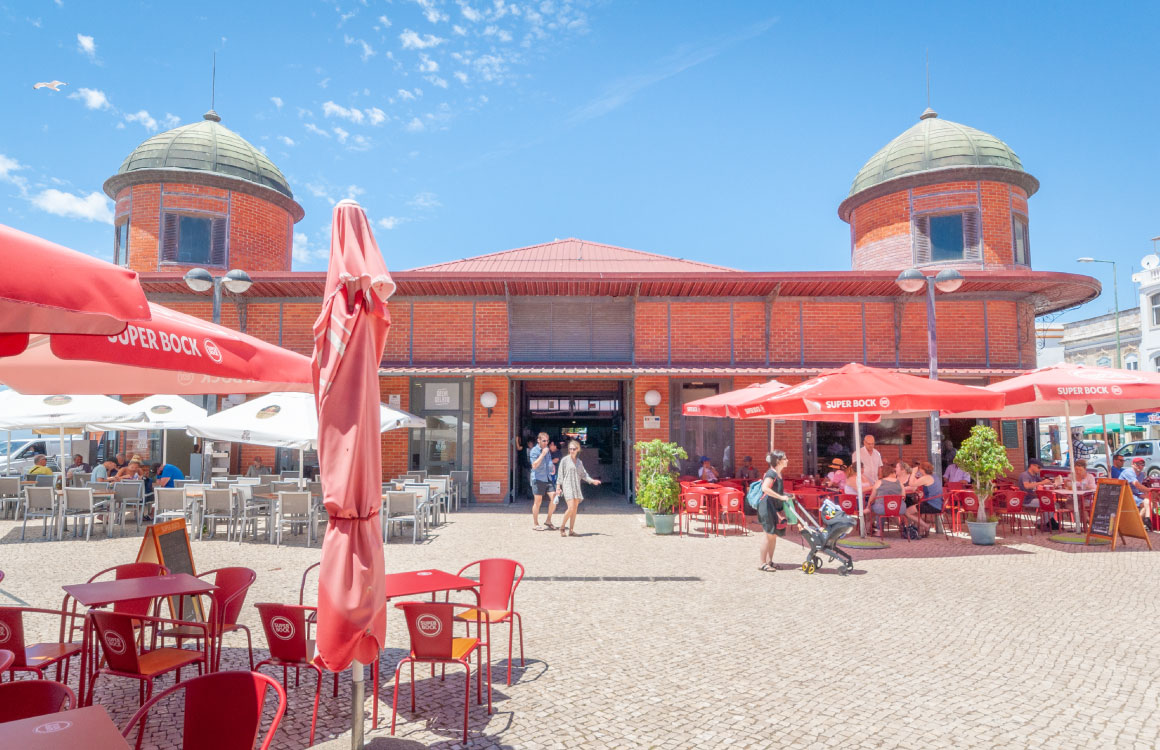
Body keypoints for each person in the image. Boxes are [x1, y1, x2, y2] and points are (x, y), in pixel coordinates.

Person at [757, 450, 794, 571]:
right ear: (778, 461)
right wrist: (781, 497)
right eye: (785, 458)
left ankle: (770, 561)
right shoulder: (771, 474)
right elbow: (765, 488)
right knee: (768, 534)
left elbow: (777, 490)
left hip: (773, 507)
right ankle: (762, 563)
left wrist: (787, 495)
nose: (787, 460)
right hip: (766, 506)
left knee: (773, 535)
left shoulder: (778, 474)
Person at [555, 439, 600, 537]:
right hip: (567, 485)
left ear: (578, 449)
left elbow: (584, 475)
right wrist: (558, 487)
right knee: (570, 507)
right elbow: (560, 475)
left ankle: (571, 530)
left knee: (575, 508)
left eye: (574, 449)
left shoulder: (579, 462)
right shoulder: (565, 460)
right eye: (570, 449)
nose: (572, 451)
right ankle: (562, 527)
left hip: (576, 485)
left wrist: (592, 481)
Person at [869, 461, 907, 537]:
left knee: (878, 509)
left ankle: (879, 531)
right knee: (887, 509)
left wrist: (868, 506)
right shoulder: (899, 482)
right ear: (891, 473)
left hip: (882, 509)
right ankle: (902, 528)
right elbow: (903, 496)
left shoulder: (879, 482)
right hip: (899, 509)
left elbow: (872, 497)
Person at [529, 432, 557, 531]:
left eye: (547, 441)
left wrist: (552, 467)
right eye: (544, 441)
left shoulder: (547, 450)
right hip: (538, 478)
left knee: (555, 498)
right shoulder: (534, 451)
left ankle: (548, 520)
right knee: (538, 502)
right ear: (538, 440)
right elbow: (534, 465)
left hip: (548, 478)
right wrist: (543, 454)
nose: (546, 443)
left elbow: (548, 462)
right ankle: (536, 524)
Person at [905, 461, 941, 536]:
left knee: (907, 512)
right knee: (915, 509)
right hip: (938, 503)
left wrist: (913, 473)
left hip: (932, 505)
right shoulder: (934, 475)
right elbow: (918, 482)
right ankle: (918, 527)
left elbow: (911, 484)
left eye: (919, 469)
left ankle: (926, 526)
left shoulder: (926, 478)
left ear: (922, 470)